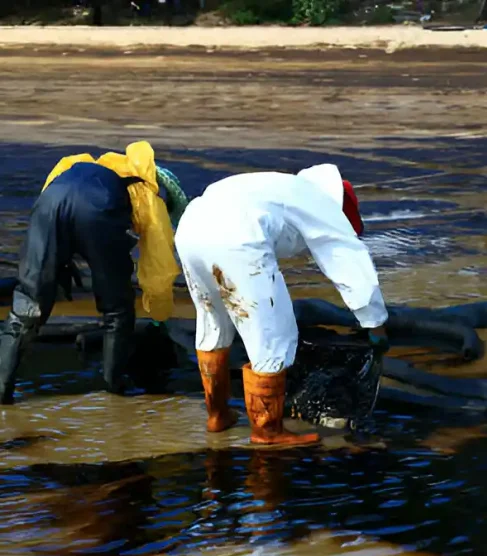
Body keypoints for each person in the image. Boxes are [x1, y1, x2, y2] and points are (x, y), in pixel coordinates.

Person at [174, 164, 388, 447]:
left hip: (191, 228)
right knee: (272, 333)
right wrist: (375, 323)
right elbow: (349, 262)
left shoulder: (281, 186)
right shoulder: (323, 205)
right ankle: (268, 432)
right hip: (237, 236)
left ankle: (218, 416)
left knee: (213, 320)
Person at [0, 141, 187, 404]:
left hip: (50, 201)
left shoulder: (83, 165)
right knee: (117, 311)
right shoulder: (147, 193)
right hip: (99, 210)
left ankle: (2, 393)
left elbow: (59, 209)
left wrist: (60, 260)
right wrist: (159, 311)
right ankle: (115, 392)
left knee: (26, 308)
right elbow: (158, 264)